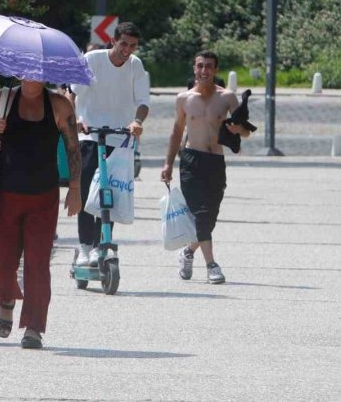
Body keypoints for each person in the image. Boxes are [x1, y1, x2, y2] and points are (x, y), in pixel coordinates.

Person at [0, 80, 81, 349]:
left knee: (37, 264)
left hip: (43, 197)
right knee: (0, 261)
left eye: (37, 70)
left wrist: (75, 188)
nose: (31, 76)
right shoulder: (3, 99)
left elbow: (72, 147)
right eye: (26, 70)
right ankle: (7, 301)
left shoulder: (58, 104)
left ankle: (34, 327)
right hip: (6, 194)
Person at [160, 50, 251, 284]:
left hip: (215, 162)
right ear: (194, 69)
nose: (204, 71)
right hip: (191, 160)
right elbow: (176, 132)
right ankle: (212, 265)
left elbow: (246, 131)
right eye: (200, 66)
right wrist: (168, 163)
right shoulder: (184, 99)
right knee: (200, 213)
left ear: (215, 70)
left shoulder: (227, 97)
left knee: (209, 218)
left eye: (208, 66)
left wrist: (236, 129)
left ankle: (188, 252)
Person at [69, 22, 150, 267]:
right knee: (86, 192)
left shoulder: (136, 65)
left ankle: (102, 244)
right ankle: (84, 247)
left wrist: (137, 121)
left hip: (119, 137)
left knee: (110, 194)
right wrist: (76, 120)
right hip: (90, 135)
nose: (128, 50)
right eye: (124, 43)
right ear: (113, 41)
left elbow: (143, 101)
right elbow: (73, 93)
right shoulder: (92, 59)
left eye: (133, 46)